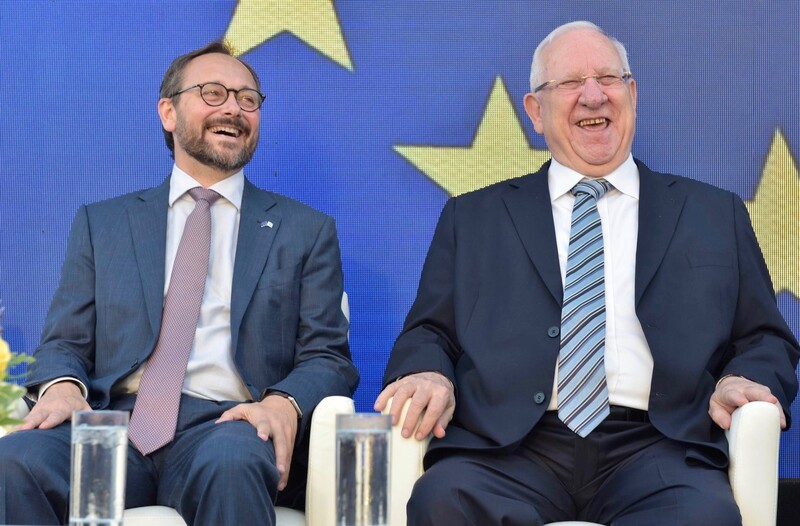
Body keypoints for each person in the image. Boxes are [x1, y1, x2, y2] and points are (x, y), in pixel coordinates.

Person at [375, 21, 799, 525]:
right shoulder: (473, 218)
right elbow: (429, 331)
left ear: (632, 94)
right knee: (443, 500)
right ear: (536, 110)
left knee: (703, 515)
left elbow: (766, 339)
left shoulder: (713, 213)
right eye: (572, 83)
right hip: (509, 450)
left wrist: (743, 376)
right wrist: (427, 371)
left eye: (608, 78)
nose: (593, 96)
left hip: (657, 447)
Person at [0, 42, 358, 525]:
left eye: (248, 99)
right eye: (214, 93)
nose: (233, 107)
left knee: (233, 463)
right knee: (15, 461)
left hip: (228, 424)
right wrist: (61, 386)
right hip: (113, 426)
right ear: (168, 112)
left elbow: (328, 357)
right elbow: (64, 341)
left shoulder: (305, 231)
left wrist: (282, 402)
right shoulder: (102, 224)